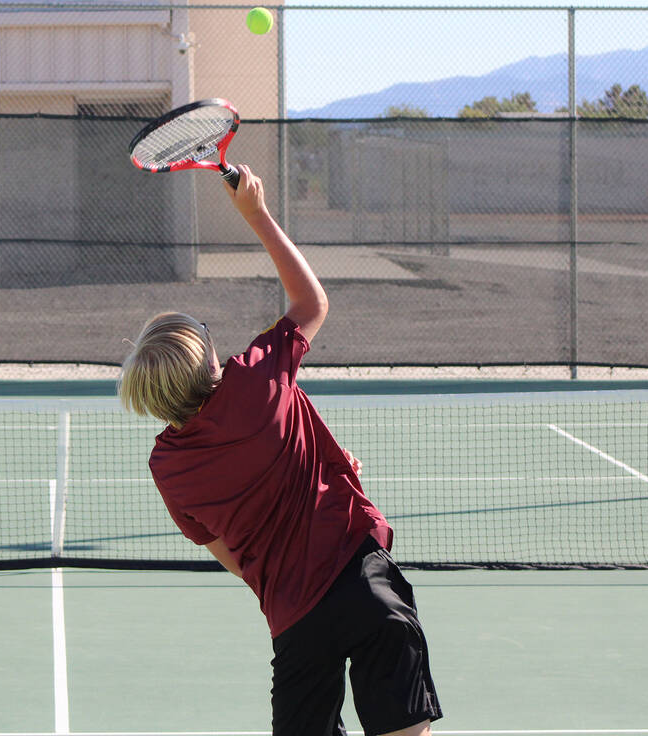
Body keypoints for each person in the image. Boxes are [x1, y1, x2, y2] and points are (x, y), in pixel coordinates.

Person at [119, 166, 441, 736]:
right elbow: (310, 303)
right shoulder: (256, 378)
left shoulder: (166, 466)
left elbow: (235, 558)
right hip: (366, 584)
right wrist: (255, 213)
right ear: (207, 359)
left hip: (295, 621)